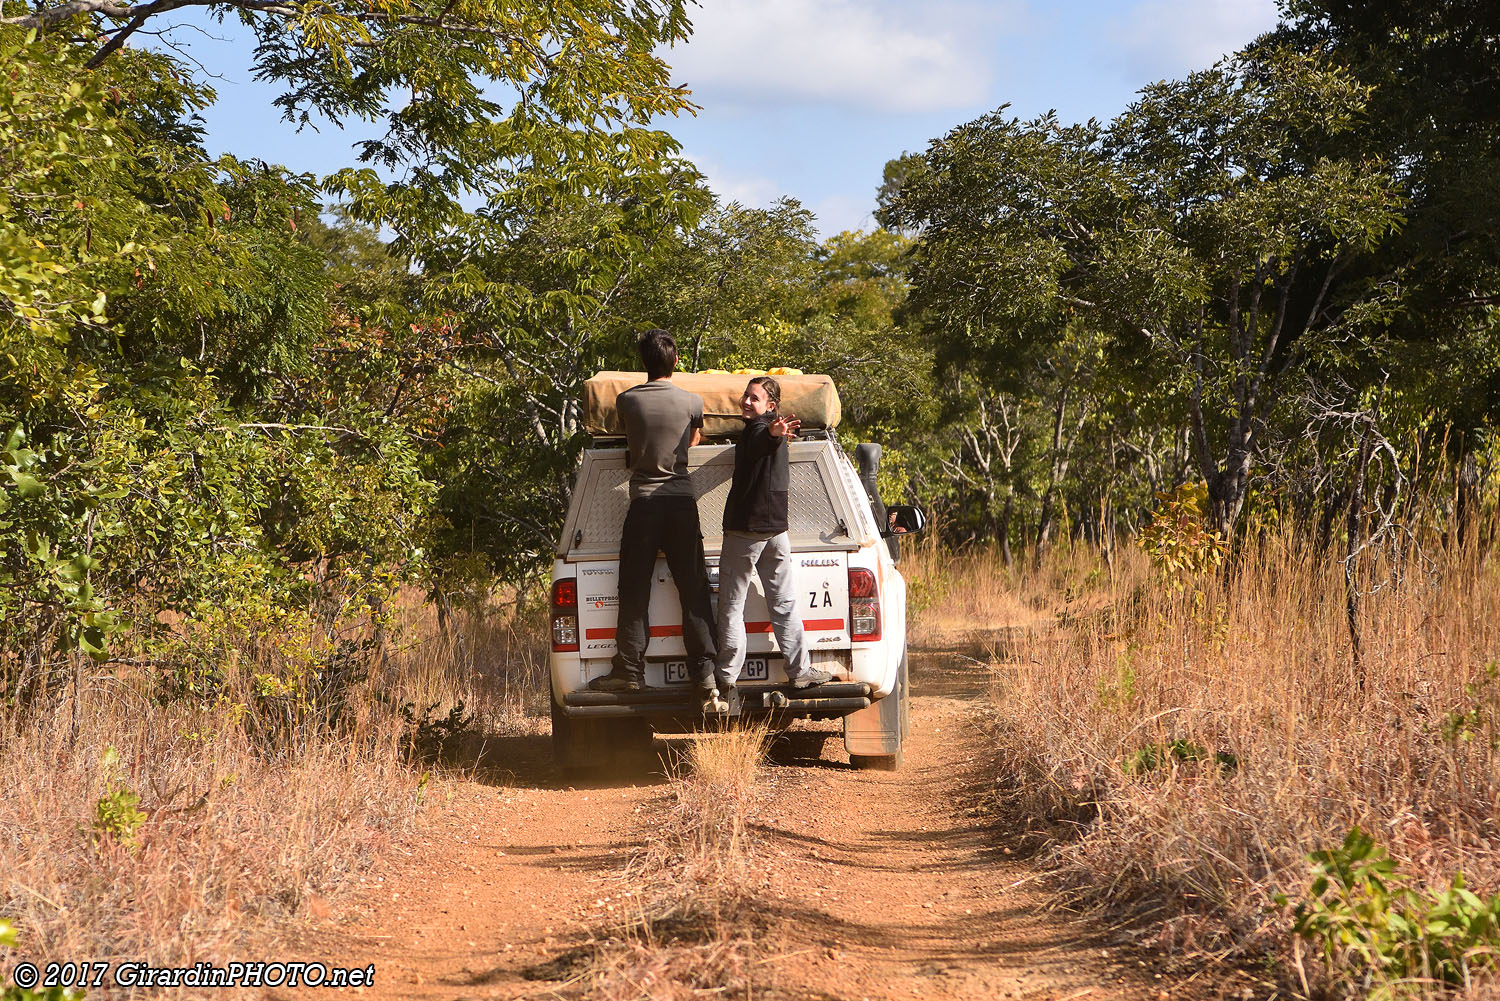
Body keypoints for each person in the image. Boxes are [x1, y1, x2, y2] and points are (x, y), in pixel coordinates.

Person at [589, 330, 718, 703]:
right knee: (693, 588)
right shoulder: (693, 401)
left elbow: (628, 438)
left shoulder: (627, 400)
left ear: (642, 364)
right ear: (675, 361)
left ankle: (629, 672)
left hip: (644, 503)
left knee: (634, 589)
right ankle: (705, 675)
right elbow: (693, 441)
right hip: (680, 503)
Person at [714, 376, 834, 702]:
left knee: (731, 606)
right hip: (776, 532)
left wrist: (771, 432)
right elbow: (762, 440)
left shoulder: (759, 430)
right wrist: (774, 433)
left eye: (754, 398)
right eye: (745, 396)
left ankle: (725, 681)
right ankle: (799, 672)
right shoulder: (768, 431)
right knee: (783, 603)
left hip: (746, 531)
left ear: (771, 406)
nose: (745, 401)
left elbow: (759, 439)